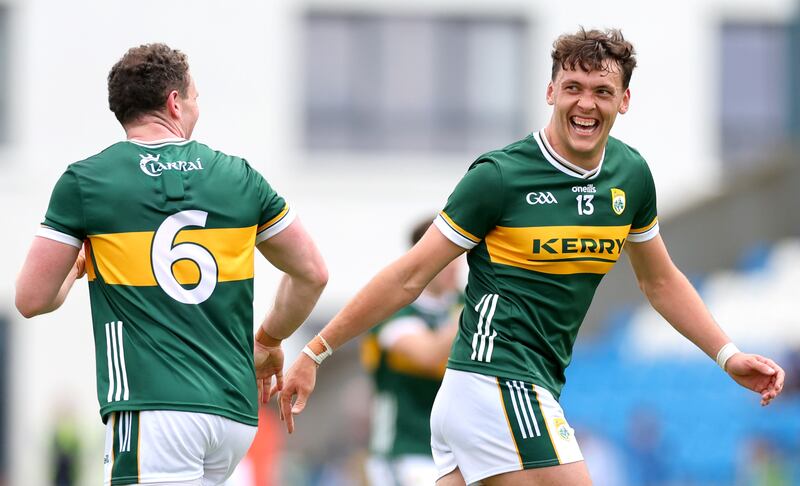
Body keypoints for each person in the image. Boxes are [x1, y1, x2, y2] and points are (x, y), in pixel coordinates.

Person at [276, 27, 787, 485]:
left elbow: (661, 282)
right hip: (497, 379)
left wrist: (727, 355)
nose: (586, 104)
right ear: (550, 92)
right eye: (573, 88)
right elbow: (410, 276)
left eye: (602, 92)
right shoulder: (500, 176)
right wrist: (316, 350)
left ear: (624, 100)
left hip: (508, 390)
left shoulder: (631, 177)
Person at [15, 43, 328, 486]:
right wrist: (269, 339)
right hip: (233, 416)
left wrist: (77, 268)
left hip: (153, 409)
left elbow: (31, 299)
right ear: (174, 101)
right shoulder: (239, 176)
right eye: (196, 96)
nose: (198, 106)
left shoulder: (87, 181)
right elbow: (312, 272)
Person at [361, 218, 462, 486]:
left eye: (457, 255)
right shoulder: (392, 310)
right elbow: (428, 356)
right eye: (445, 256)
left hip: (460, 453)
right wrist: (475, 312)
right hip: (404, 452)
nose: (453, 265)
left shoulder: (464, 305)